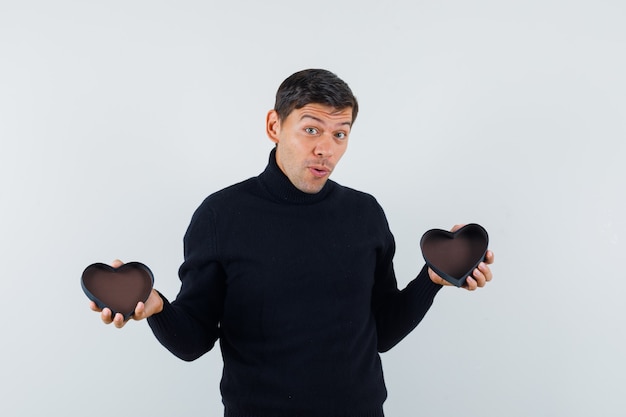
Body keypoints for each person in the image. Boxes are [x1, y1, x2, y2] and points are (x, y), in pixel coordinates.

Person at [91, 68, 495, 417]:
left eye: (341, 133)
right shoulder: (221, 215)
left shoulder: (365, 213)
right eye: (311, 129)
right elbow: (193, 341)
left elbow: (382, 332)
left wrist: (434, 279)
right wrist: (157, 306)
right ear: (274, 126)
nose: (326, 148)